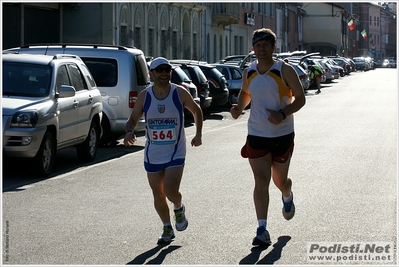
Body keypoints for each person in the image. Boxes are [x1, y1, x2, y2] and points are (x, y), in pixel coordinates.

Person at [230, 28, 306, 246]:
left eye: (266, 45)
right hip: (256, 133)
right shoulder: (249, 71)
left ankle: (287, 195)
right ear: (253, 49)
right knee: (261, 180)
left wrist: (282, 114)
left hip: (282, 134)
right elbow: (246, 93)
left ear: (274, 48)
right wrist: (239, 108)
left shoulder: (284, 70)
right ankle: (262, 229)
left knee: (280, 181)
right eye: (258, 45)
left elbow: (300, 99)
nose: (261, 49)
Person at [124, 57, 203, 244]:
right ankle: (167, 228)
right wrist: (128, 132)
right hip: (153, 153)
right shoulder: (145, 96)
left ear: (171, 73)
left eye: (167, 70)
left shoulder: (179, 93)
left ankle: (178, 206)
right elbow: (133, 119)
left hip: (176, 151)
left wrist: (198, 134)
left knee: (169, 190)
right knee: (158, 194)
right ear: (151, 74)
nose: (164, 74)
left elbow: (196, 110)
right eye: (159, 70)